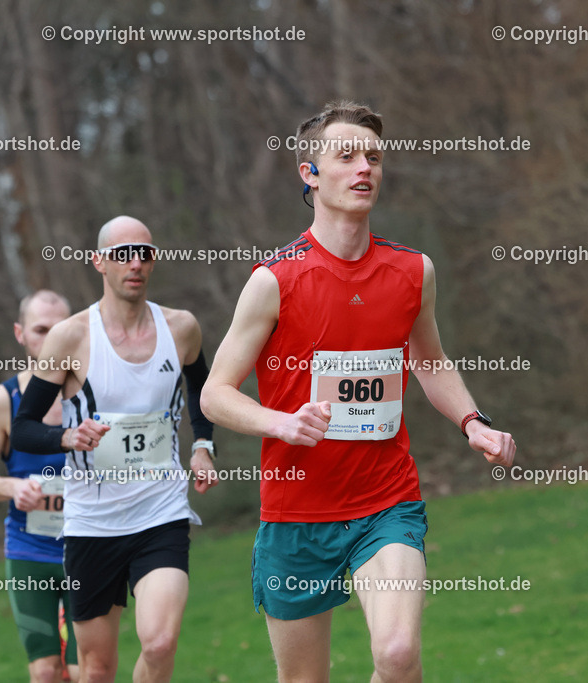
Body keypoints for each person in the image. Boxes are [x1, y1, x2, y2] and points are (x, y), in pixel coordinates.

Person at [201, 101, 516, 682]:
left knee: (397, 655)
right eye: (345, 156)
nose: (363, 167)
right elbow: (216, 393)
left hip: (385, 502)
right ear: (310, 172)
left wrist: (474, 422)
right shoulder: (275, 280)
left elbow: (429, 361)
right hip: (296, 510)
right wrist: (281, 423)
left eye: (372, 156)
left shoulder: (412, 271)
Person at [10, 217, 219, 683]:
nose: (136, 263)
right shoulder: (71, 337)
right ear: (99, 262)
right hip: (92, 523)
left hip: (160, 513)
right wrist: (64, 437)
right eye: (123, 254)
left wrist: (204, 446)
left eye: (145, 253)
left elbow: (205, 398)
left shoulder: (182, 328)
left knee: (160, 642)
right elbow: (22, 428)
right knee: (98, 669)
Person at [0, 289, 80, 683]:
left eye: (59, 328)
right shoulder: (4, 400)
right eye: (40, 329)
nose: (50, 339)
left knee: (87, 671)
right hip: (30, 550)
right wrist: (11, 488)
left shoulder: (94, 395)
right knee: (47, 672)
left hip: (90, 547)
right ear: (20, 334)